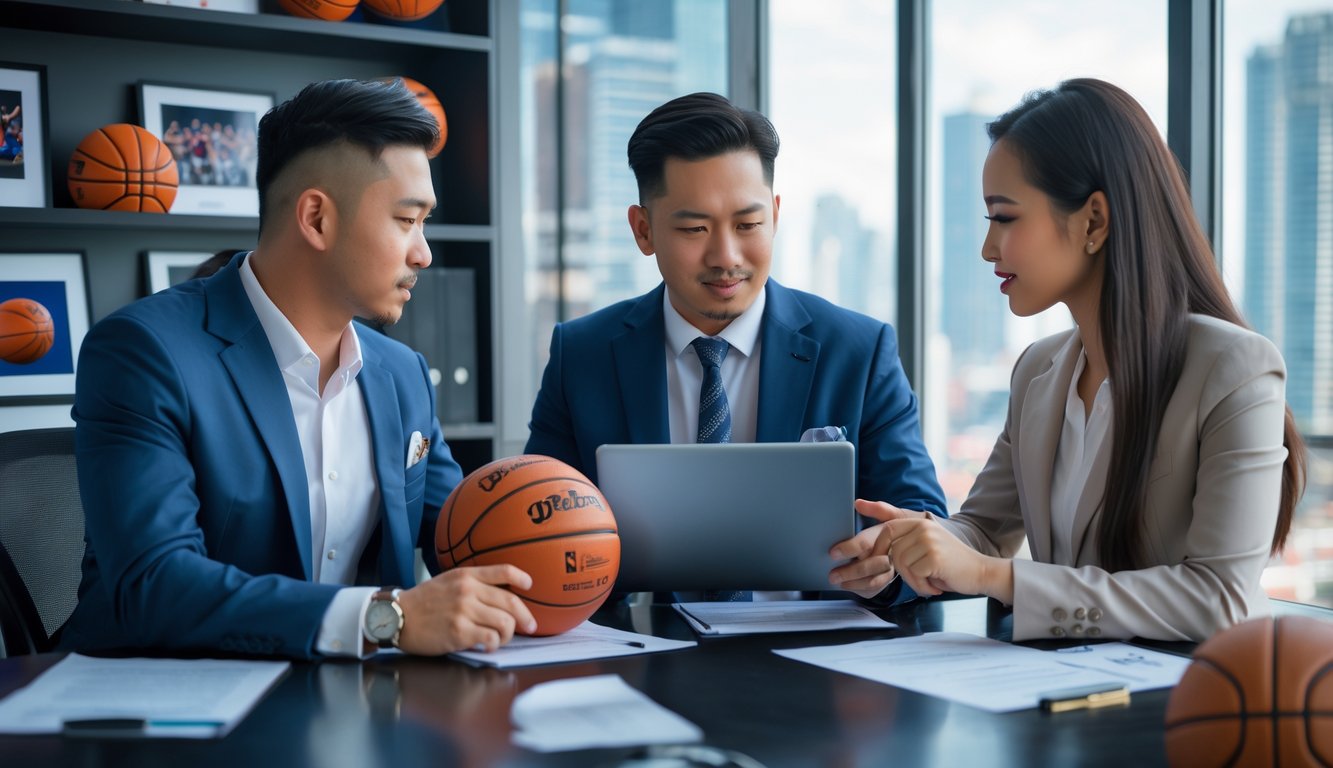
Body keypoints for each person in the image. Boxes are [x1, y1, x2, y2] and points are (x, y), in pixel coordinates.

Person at [61, 79, 536, 660]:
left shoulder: (402, 372)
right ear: (316, 218)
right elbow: (154, 584)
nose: (424, 253)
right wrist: (384, 618)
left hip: (347, 710)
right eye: (406, 220)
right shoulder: (143, 352)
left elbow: (466, 538)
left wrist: (583, 551)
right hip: (152, 713)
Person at [834, 78, 1307, 642]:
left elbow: (1218, 597)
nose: (988, 248)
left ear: (1093, 221)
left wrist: (993, 575)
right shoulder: (1038, 369)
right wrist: (905, 546)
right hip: (1055, 699)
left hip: (1180, 708)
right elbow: (983, 531)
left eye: (1004, 218)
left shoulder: (1234, 368)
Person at [524, 92, 946, 602]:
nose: (726, 256)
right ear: (643, 230)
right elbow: (537, 526)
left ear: (775, 214)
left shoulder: (858, 350)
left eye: (748, 225)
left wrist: (891, 566)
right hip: (640, 653)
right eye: (694, 228)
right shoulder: (582, 355)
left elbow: (926, 525)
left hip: (819, 658)